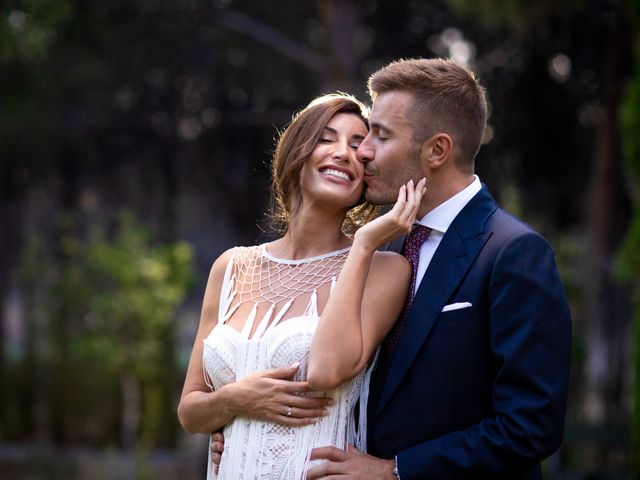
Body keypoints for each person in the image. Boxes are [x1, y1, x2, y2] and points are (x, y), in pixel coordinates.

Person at [305, 59, 572, 479]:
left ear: (437, 150)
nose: (363, 151)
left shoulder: (514, 253)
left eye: (381, 135)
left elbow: (530, 427)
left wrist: (395, 471)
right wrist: (248, 422)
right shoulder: (383, 244)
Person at [178, 92, 426, 479]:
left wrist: (362, 244)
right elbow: (190, 410)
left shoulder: (384, 269)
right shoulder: (230, 267)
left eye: (358, 147)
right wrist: (235, 399)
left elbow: (331, 371)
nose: (344, 153)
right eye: (327, 139)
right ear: (297, 151)